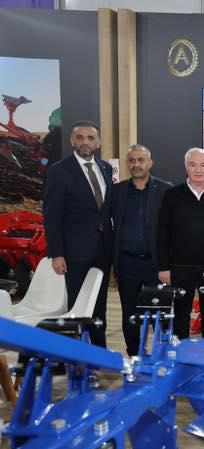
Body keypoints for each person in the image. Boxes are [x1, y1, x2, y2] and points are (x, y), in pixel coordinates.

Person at [43, 120, 113, 347]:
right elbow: (51, 215)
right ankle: (77, 353)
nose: (85, 142)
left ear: (98, 142)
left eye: (90, 138)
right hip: (74, 252)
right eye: (80, 137)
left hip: (103, 250)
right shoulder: (59, 171)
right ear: (72, 141)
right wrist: (56, 253)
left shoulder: (105, 168)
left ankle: (100, 351)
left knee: (100, 303)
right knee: (77, 305)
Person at [157, 148, 204, 339]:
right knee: (181, 314)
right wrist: (163, 267)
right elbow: (162, 232)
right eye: (193, 165)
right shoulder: (172, 195)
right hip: (180, 267)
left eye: (203, 165)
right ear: (186, 167)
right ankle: (182, 353)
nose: (198, 170)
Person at [111, 144, 170, 355]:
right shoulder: (117, 192)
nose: (136, 164)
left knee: (159, 314)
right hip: (127, 264)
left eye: (140, 160)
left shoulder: (165, 190)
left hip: (155, 265)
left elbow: (170, 230)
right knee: (130, 314)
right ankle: (135, 354)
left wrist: (167, 265)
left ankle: (161, 355)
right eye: (132, 160)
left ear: (150, 163)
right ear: (127, 163)